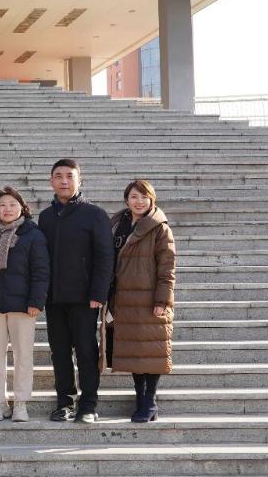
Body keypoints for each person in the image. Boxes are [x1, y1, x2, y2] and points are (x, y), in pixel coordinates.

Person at [38, 159, 114, 424]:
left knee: (86, 351)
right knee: (59, 352)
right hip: (54, 298)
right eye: (58, 176)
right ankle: (65, 402)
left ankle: (89, 404)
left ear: (79, 180)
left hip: (84, 298)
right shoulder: (46, 217)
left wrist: (99, 293)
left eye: (69, 176)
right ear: (51, 181)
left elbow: (105, 257)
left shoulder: (95, 214)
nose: (64, 181)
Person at [0, 187, 50, 423]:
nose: (7, 209)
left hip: (24, 306)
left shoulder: (33, 235)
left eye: (12, 204)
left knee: (23, 355)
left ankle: (20, 403)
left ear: (22, 208)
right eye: (2, 205)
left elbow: (41, 271)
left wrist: (37, 301)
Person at [105, 179, 176, 423]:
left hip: (149, 299)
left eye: (144, 197)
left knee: (152, 351)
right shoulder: (117, 224)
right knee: (135, 351)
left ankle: (150, 401)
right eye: (134, 196)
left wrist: (162, 301)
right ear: (127, 200)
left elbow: (167, 269)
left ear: (151, 199)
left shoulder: (159, 228)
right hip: (123, 299)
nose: (139, 201)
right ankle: (140, 398)